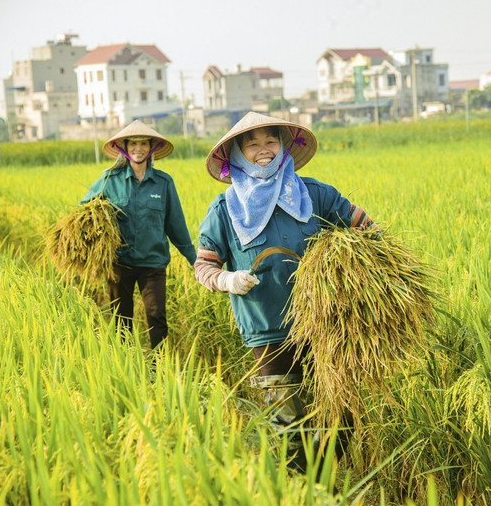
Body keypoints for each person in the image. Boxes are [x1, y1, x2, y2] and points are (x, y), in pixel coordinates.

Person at [194, 111, 376, 471]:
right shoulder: (225, 210)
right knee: (286, 425)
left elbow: (366, 228)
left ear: (283, 146)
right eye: (252, 144)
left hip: (326, 325)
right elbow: (204, 266)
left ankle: (326, 477)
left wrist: (372, 266)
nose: (263, 150)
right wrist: (228, 279)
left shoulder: (314, 195)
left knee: (342, 416)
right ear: (237, 154)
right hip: (268, 332)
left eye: (271, 141)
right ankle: (301, 484)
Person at [81, 120, 196, 350]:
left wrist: (195, 260)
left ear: (151, 147)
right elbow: (85, 211)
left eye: (143, 143)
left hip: (153, 263)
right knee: (121, 319)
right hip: (119, 264)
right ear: (124, 148)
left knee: (156, 316)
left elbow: (176, 226)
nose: (138, 148)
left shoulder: (163, 183)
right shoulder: (109, 180)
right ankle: (127, 365)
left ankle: (159, 367)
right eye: (133, 144)